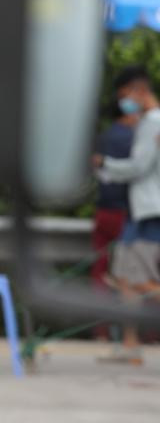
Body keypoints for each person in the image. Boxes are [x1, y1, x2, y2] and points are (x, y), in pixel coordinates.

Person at [95, 66, 160, 365]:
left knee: (140, 281)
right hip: (142, 210)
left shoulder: (151, 123)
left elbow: (138, 166)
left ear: (138, 91)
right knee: (125, 277)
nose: (125, 103)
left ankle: (131, 346)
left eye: (125, 96)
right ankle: (130, 346)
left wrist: (104, 163)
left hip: (149, 210)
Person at [90, 88, 138, 333]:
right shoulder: (136, 138)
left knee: (100, 271)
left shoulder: (103, 137)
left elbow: (96, 168)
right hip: (127, 216)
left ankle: (101, 332)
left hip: (103, 213)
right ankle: (142, 334)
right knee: (133, 275)